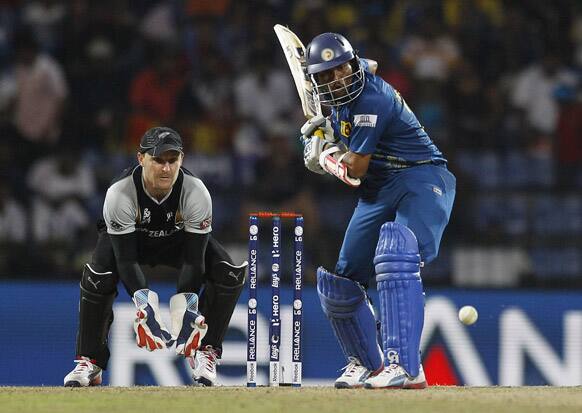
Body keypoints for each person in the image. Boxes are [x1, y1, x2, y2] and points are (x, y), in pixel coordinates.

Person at [301, 33, 456, 389]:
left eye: (343, 69)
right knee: (340, 281)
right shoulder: (349, 80)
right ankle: (366, 364)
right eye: (327, 74)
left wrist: (323, 155)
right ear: (317, 80)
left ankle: (405, 366)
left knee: (397, 251)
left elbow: (354, 170)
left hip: (421, 177)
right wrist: (325, 137)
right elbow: (369, 64)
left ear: (351, 65)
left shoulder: (372, 99)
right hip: (380, 189)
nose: (339, 78)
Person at [63, 127, 247, 387]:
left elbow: (195, 260)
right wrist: (144, 302)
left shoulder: (196, 193)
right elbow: (126, 260)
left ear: (182, 160)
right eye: (158, 160)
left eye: (173, 161)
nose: (166, 168)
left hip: (177, 241)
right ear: (141, 159)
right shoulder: (120, 193)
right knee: (97, 275)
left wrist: (187, 306)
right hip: (131, 243)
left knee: (229, 273)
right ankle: (90, 361)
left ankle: (204, 352)